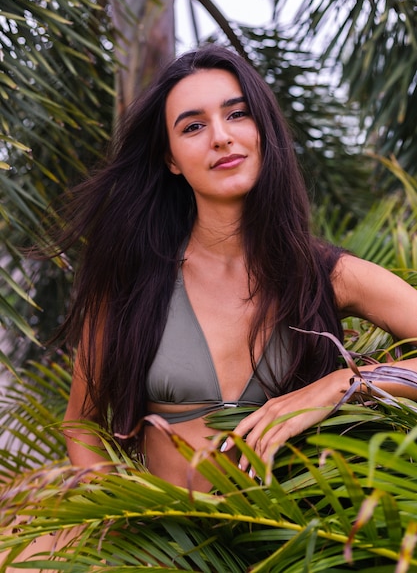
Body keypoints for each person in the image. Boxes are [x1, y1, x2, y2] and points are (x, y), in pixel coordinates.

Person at [56, 44, 417, 491]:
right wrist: (114, 524)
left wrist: (345, 383)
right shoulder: (132, 281)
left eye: (237, 114)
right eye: (193, 126)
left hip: (298, 544)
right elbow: (81, 423)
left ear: (262, 129)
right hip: (166, 551)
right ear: (170, 158)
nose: (221, 137)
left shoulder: (324, 274)